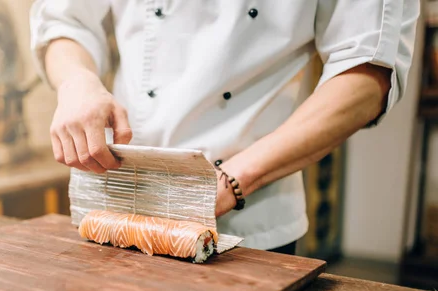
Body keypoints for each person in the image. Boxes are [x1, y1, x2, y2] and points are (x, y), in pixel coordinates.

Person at [30, 1, 419, 255]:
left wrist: (234, 180)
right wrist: (76, 81)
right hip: (118, 199)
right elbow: (64, 19)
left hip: (247, 223)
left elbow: (366, 74)